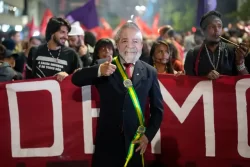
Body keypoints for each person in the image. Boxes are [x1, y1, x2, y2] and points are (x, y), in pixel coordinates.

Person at [71, 22, 164, 167]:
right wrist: (98, 70)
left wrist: (147, 136)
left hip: (135, 143)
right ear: (117, 45)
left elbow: (158, 110)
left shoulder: (149, 72)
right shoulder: (106, 67)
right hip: (107, 144)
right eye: (125, 41)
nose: (130, 46)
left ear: (141, 45)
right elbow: (76, 79)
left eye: (135, 41)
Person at [184, 11, 249, 79]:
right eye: (212, 27)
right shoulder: (193, 54)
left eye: (219, 26)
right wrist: (205, 78)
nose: (217, 30)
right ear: (203, 31)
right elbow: (189, 83)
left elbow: (245, 82)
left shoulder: (233, 51)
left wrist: (240, 62)